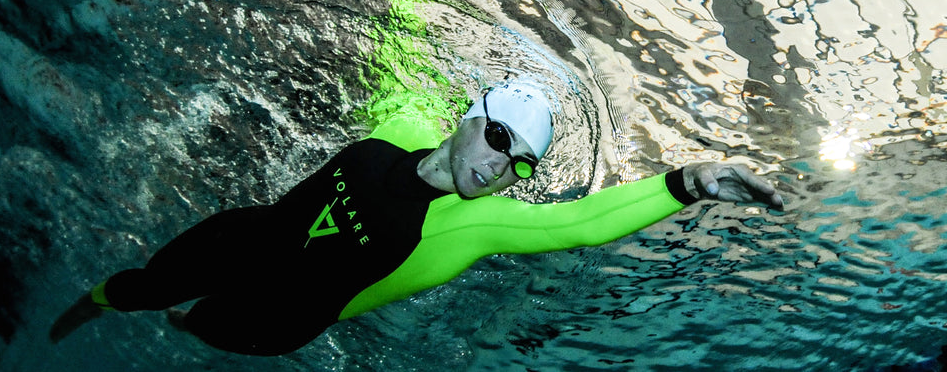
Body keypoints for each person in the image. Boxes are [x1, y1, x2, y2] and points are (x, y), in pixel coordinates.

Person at [49, 79, 783, 356]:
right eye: (499, 137)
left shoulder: (475, 226)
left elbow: (580, 223)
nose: (500, 166)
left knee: (198, 324)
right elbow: (396, 41)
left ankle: (184, 324)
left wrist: (686, 183)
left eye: (521, 163)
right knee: (141, 286)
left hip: (274, 325)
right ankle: (95, 305)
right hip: (237, 240)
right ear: (469, 117)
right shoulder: (396, 128)